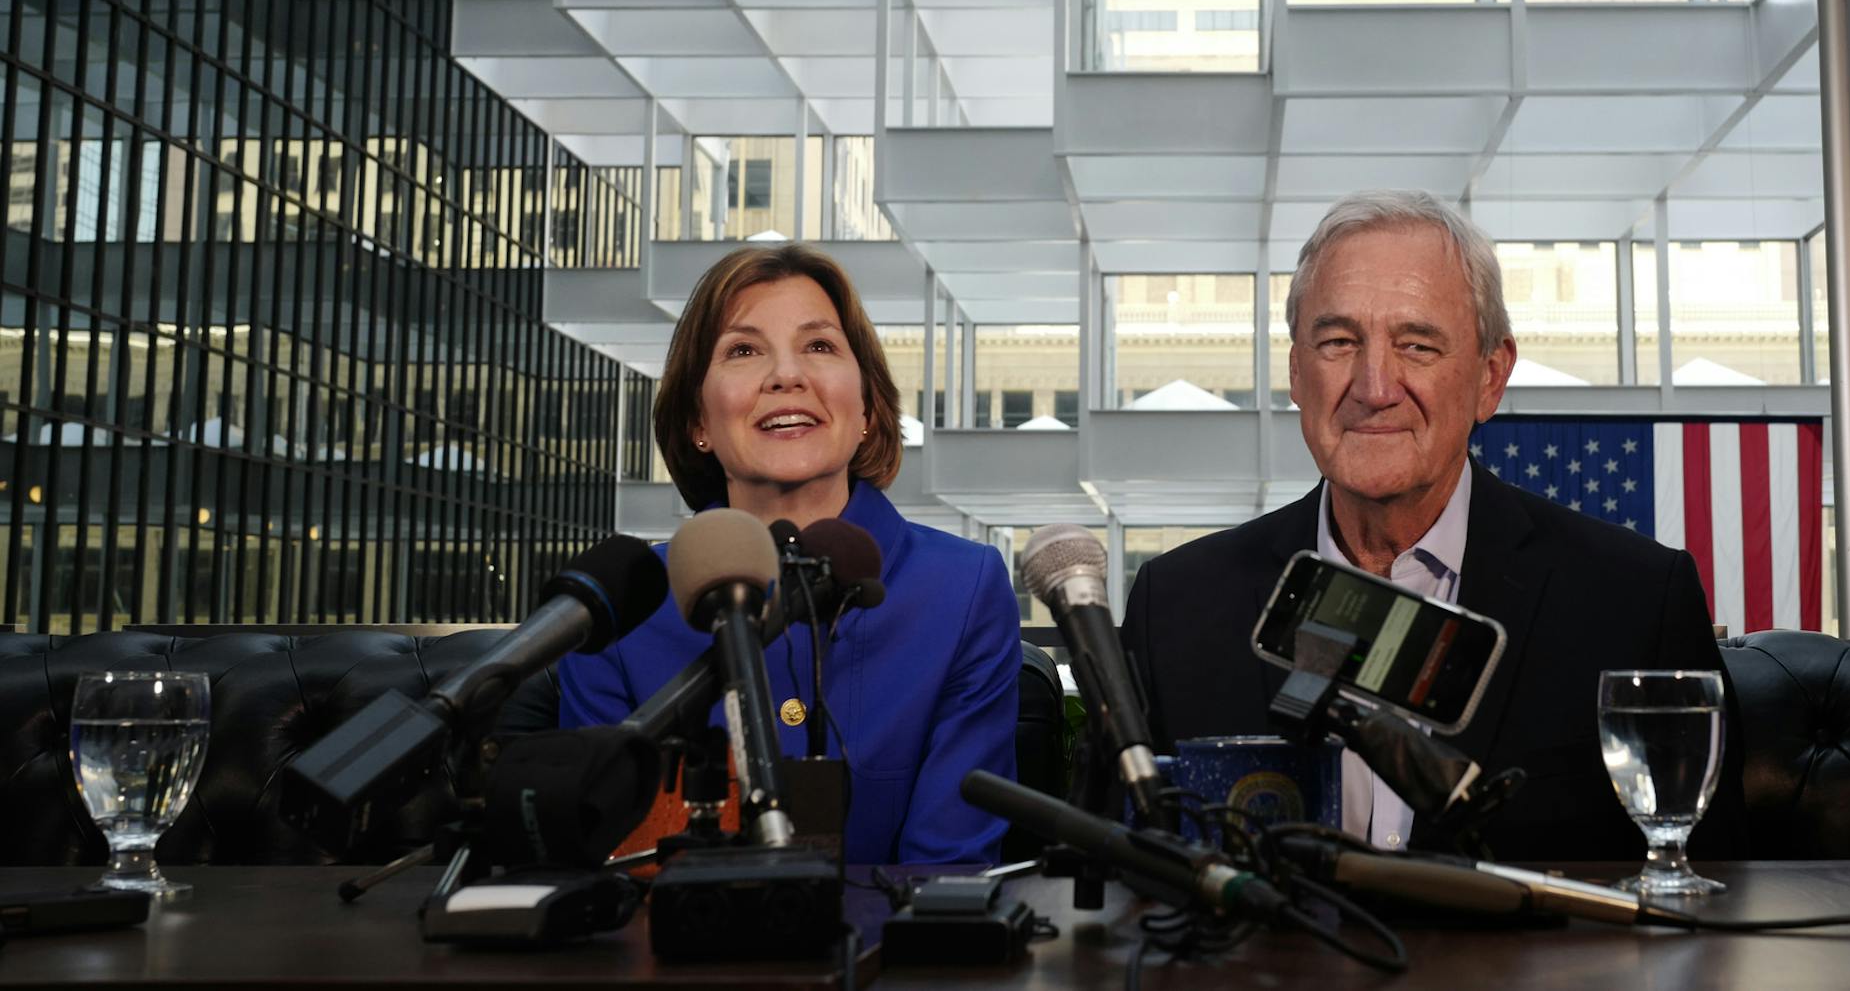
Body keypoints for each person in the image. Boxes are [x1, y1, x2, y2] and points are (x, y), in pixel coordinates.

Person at [1119, 190, 1746, 862]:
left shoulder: (1636, 603)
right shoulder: (1176, 605)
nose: (1375, 384)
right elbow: (1111, 882)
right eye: (1338, 342)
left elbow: (1717, 893)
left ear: (1490, 376)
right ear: (1297, 372)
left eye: (1417, 345)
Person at [557, 243, 1019, 865]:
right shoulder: (621, 606)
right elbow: (609, 870)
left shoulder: (965, 588)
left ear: (866, 410)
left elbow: (947, 868)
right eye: (743, 351)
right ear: (698, 418)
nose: (785, 375)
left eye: (820, 346)